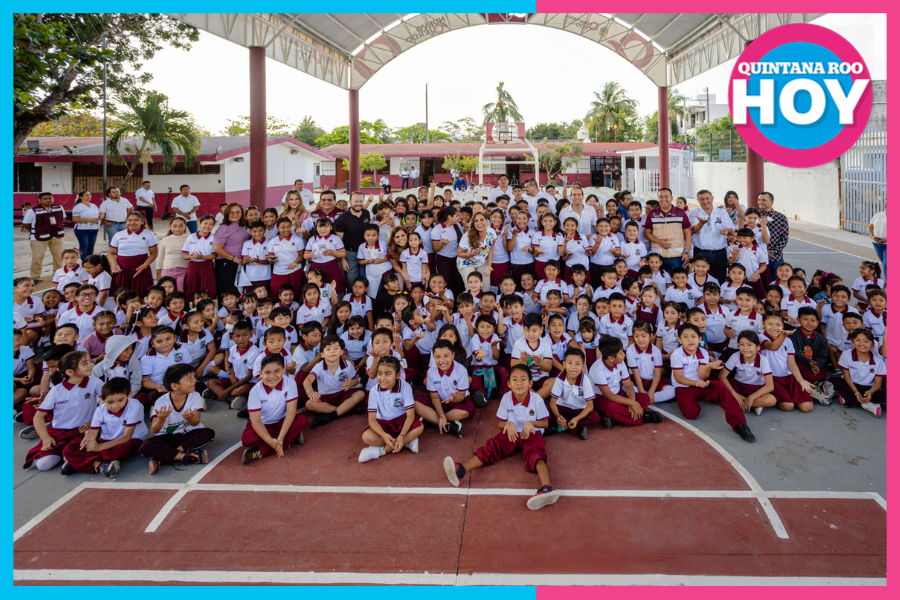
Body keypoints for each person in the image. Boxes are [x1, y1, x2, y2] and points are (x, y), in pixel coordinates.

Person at [442, 364, 560, 511]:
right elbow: (500, 423)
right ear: (509, 384)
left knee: (536, 455)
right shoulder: (506, 398)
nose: (519, 383)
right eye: (515, 379)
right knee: (492, 447)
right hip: (511, 434)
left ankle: (546, 487)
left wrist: (532, 423)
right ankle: (461, 471)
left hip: (530, 435)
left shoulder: (536, 399)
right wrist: (507, 425)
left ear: (530, 383)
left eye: (523, 379)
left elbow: (545, 422)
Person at [670, 323, 756, 442]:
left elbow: (702, 375)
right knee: (691, 414)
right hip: (684, 386)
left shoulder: (703, 353)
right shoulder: (677, 354)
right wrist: (696, 384)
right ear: (679, 339)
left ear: (700, 339)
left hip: (701, 384)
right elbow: (679, 378)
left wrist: (708, 367)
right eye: (685, 337)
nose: (690, 340)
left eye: (693, 336)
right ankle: (695, 399)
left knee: (720, 387)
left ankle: (740, 425)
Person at [60, 377, 147, 477]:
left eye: (120, 400)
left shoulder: (135, 406)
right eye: (110, 402)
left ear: (129, 395)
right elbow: (93, 432)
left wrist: (98, 447)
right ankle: (99, 465)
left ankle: (78, 463)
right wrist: (89, 438)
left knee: (122, 450)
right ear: (102, 399)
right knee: (68, 449)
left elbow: (126, 437)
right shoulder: (100, 410)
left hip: (130, 440)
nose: (115, 406)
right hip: (106, 440)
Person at [139, 363, 215, 474]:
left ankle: (166, 457)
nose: (194, 380)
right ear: (174, 386)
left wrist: (190, 419)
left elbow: (196, 422)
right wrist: (161, 419)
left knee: (208, 433)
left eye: (194, 377)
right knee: (145, 447)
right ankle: (185, 457)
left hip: (188, 434)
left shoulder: (194, 396)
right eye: (189, 379)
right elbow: (154, 430)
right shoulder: (161, 402)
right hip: (167, 436)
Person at [241, 353, 307, 464]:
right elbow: (256, 421)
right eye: (267, 372)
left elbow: (291, 411)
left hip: (283, 422)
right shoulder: (255, 391)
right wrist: (271, 442)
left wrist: (280, 438)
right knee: (247, 439)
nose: (272, 376)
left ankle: (260, 451)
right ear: (260, 373)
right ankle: (292, 436)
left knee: (302, 420)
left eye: (277, 371)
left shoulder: (290, 383)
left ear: (283, 370)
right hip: (264, 425)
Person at [358, 356, 423, 463]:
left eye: (388, 374)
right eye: (380, 373)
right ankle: (407, 441)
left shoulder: (405, 387)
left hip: (402, 421)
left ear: (397, 375)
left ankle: (380, 451)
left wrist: (402, 435)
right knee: (366, 437)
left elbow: (410, 415)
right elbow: (372, 420)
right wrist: (383, 435)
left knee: (420, 427)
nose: (382, 378)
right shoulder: (374, 391)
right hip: (383, 424)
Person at [107, 212, 159, 299]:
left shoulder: (149, 235)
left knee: (139, 296)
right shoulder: (118, 235)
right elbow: (111, 253)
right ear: (126, 222)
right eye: (129, 220)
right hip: (122, 269)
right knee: (121, 297)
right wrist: (114, 265)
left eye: (136, 220)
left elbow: (154, 253)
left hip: (141, 269)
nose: (132, 222)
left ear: (142, 222)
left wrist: (145, 265)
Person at [643, 188, 692, 274]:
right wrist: (658, 241)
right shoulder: (652, 214)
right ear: (658, 198)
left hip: (676, 256)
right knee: (659, 282)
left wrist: (687, 253)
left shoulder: (681, 213)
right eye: (661, 197)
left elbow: (688, 233)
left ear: (672, 198)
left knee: (677, 281)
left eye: (667, 196)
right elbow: (647, 233)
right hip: (657, 256)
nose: (664, 199)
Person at [689, 190, 733, 283]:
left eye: (707, 198)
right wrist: (701, 224)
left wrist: (726, 230)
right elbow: (693, 230)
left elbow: (731, 229)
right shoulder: (694, 213)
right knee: (700, 279)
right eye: (702, 199)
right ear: (698, 201)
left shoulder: (722, 213)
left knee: (720, 279)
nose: (705, 201)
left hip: (720, 253)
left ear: (712, 199)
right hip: (701, 252)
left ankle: (719, 297)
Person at [22, 192, 67, 281]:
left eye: (49, 198)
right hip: (38, 238)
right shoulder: (32, 210)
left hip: (57, 236)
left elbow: (62, 219)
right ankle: (35, 277)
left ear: (52, 199)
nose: (47, 200)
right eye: (44, 199)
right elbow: (26, 224)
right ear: (39, 200)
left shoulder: (59, 208)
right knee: (37, 258)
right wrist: (38, 231)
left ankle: (58, 275)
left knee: (59, 257)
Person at [213, 203, 252, 296]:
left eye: (238, 212)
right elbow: (217, 249)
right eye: (232, 212)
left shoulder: (241, 225)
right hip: (227, 264)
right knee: (228, 294)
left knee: (238, 293)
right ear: (226, 214)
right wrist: (235, 259)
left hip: (238, 263)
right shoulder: (224, 227)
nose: (235, 214)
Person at [334, 191, 372, 287]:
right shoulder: (342, 219)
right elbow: (338, 242)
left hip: (365, 253)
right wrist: (342, 259)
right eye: (355, 201)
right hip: (350, 254)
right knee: (352, 282)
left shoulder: (366, 213)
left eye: (360, 201)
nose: (358, 204)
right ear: (350, 201)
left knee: (365, 280)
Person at [457, 212, 496, 294]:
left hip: (481, 262)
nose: (479, 223)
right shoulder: (467, 236)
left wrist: (489, 266)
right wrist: (471, 254)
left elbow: (490, 249)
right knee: (472, 289)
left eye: (482, 220)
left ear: (487, 221)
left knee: (486, 289)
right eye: (476, 221)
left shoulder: (491, 233)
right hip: (466, 262)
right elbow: (459, 253)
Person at [756, 191, 789, 277]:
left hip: (775, 258)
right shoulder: (755, 216)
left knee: (776, 285)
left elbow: (784, 238)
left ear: (772, 202)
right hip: (756, 258)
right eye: (759, 200)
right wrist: (762, 252)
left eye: (764, 200)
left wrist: (772, 252)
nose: (760, 202)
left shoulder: (781, 217)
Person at [155, 216, 191, 290]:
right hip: (168, 271)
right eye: (174, 226)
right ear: (170, 227)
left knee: (181, 293)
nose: (177, 228)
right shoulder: (165, 240)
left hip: (184, 271)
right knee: (167, 292)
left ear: (185, 227)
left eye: (181, 226)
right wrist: (158, 274)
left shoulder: (189, 238)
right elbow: (160, 258)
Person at [71, 191, 101, 257]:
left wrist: (99, 218)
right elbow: (75, 219)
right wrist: (89, 220)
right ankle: (84, 260)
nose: (89, 197)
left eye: (90, 195)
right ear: (81, 197)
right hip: (82, 229)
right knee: (84, 244)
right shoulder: (78, 207)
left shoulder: (93, 206)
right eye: (86, 195)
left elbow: (99, 214)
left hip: (94, 228)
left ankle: (90, 259)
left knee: (91, 245)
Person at [868, 207, 887, 277]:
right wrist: (872, 236)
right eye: (885, 203)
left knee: (887, 264)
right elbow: (870, 226)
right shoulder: (878, 215)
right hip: (876, 244)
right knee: (884, 263)